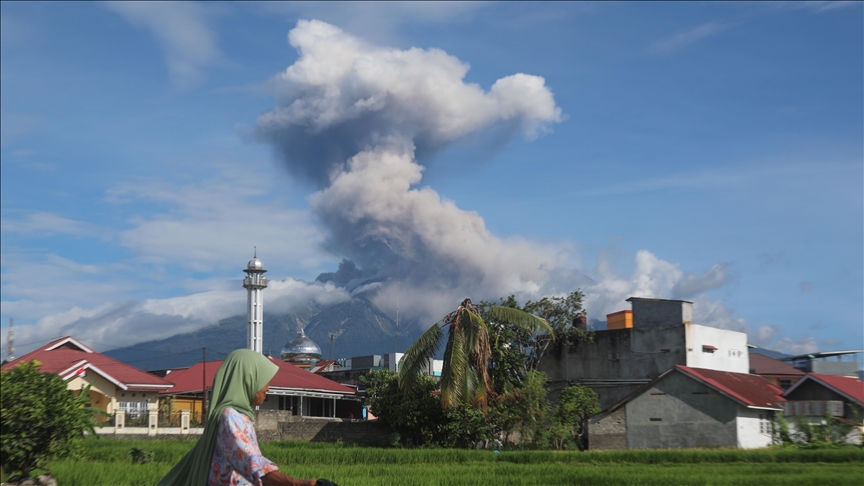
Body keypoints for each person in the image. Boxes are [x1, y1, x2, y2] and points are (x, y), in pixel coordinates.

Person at [158, 349, 337, 486]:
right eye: (263, 380)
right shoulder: (230, 417)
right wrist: (304, 484)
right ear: (247, 379)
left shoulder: (238, 417)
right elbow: (254, 465)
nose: (267, 388)